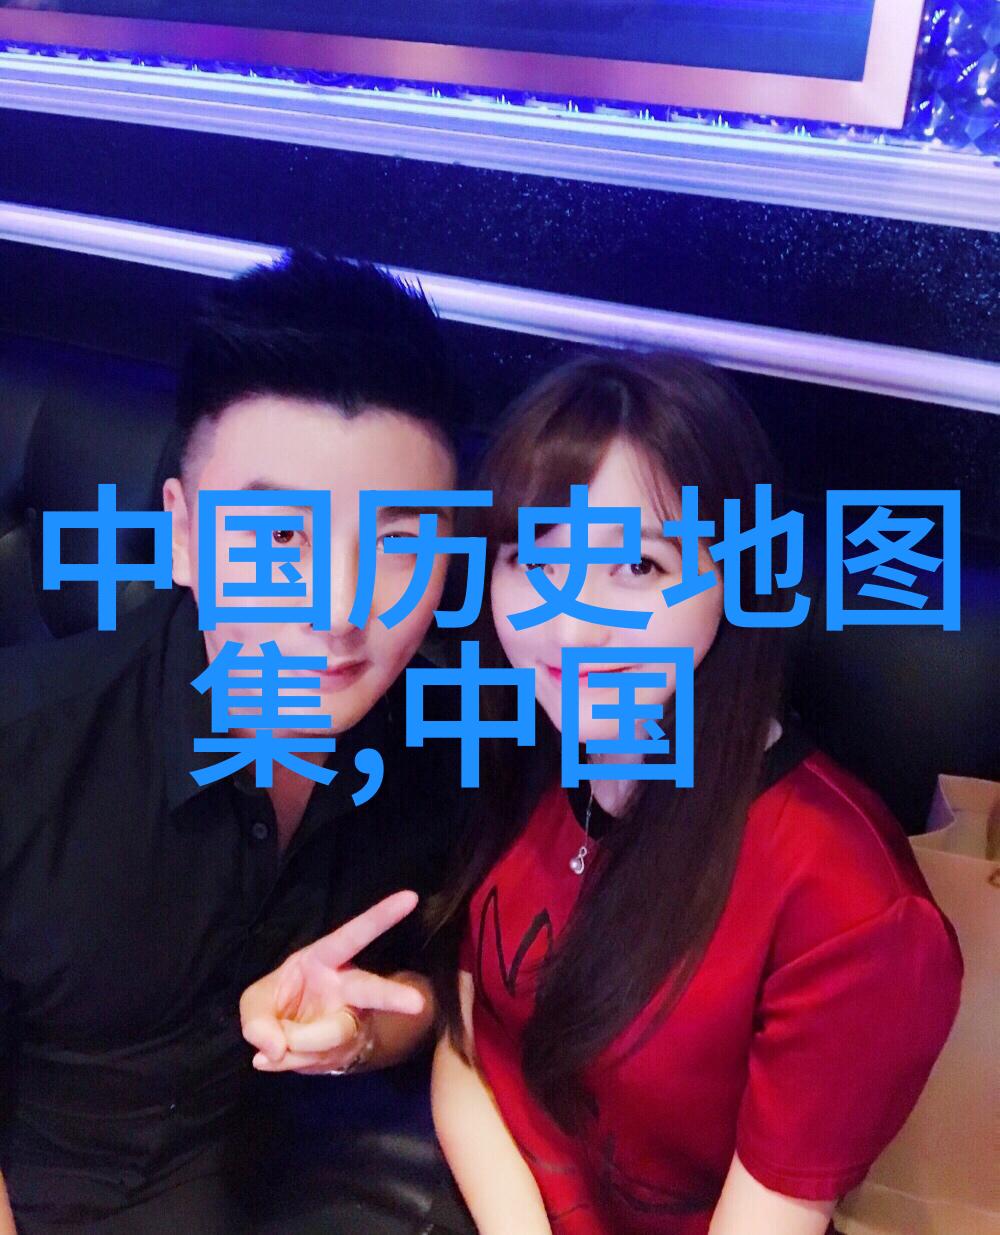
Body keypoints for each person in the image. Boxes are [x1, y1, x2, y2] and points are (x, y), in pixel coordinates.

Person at [421, 352, 963, 1235]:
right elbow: (471, 1033)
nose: (571, 626)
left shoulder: (849, 910)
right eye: (532, 559)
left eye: (637, 566)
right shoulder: (531, 741)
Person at [0, 251, 471, 1233]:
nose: (339, 610)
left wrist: (360, 1034)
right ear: (182, 534)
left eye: (399, 541)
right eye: (280, 537)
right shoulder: (28, 753)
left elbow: (427, 992)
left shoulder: (447, 744)